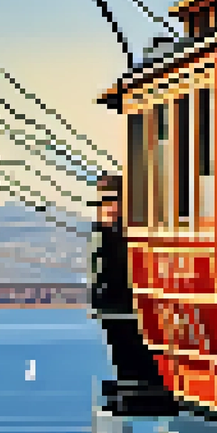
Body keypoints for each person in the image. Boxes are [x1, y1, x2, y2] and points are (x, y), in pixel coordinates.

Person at [88, 175, 173, 415]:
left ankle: (139, 382)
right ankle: (134, 381)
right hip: (115, 304)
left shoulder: (120, 232)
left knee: (128, 342)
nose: (108, 208)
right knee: (121, 342)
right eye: (104, 203)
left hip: (124, 304)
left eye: (112, 201)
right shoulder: (106, 232)